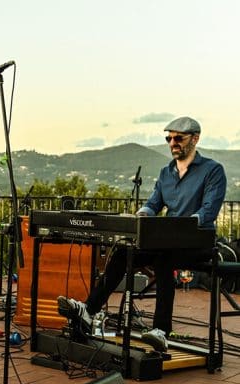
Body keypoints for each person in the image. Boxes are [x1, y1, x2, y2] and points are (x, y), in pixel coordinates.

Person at [58, 116, 226, 352]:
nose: (172, 142)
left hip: (198, 243)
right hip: (166, 241)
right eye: (169, 138)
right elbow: (152, 204)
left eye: (178, 138)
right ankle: (89, 310)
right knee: (125, 253)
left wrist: (178, 226)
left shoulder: (213, 170)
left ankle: (161, 330)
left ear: (195, 138)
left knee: (163, 256)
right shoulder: (166, 172)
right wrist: (140, 216)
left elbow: (208, 212)